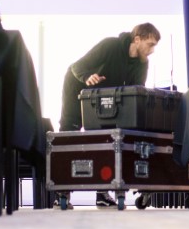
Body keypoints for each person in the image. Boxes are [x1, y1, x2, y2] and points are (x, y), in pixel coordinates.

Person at [59, 22, 161, 208]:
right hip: (78, 86)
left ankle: (102, 194)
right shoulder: (110, 45)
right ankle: (62, 194)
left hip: (104, 95)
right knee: (70, 131)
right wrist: (88, 77)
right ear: (137, 39)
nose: (152, 50)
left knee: (107, 137)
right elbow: (78, 67)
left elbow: (136, 91)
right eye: (150, 44)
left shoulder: (142, 63)